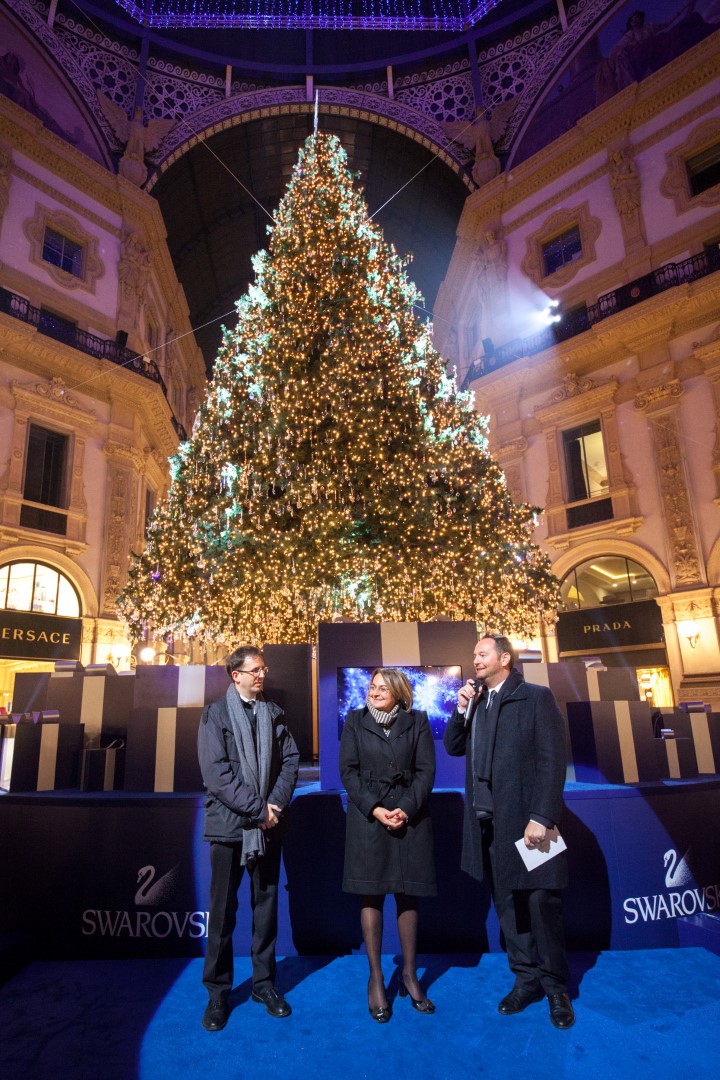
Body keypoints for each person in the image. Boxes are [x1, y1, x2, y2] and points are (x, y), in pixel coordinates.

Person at [443, 635, 574, 1029]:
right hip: (489, 824)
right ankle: (526, 979)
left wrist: (543, 816)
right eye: (474, 654)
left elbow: (553, 761)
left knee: (541, 904)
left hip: (532, 823)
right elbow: (452, 746)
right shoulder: (477, 701)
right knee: (507, 905)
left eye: (481, 654)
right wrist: (461, 708)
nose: (475, 660)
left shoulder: (536, 697)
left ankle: (556, 989)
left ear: (504, 658)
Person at [197, 645, 299, 1032]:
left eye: (263, 669)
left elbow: (290, 760)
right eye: (254, 670)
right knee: (222, 914)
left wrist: (274, 803)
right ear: (235, 675)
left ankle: (264, 985)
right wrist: (260, 810)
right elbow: (217, 774)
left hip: (268, 827)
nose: (262, 675)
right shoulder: (215, 714)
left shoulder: (273, 713)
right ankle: (217, 993)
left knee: (265, 908)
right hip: (230, 828)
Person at [340, 668, 437, 1023]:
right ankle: (377, 978)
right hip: (369, 819)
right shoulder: (354, 721)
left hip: (409, 818)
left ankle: (410, 975)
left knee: (407, 893)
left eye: (382, 687)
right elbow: (347, 772)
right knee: (372, 894)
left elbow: (427, 771)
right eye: (372, 687)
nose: (375, 692)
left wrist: (406, 809)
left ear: (399, 692)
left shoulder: (419, 722)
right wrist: (376, 809)